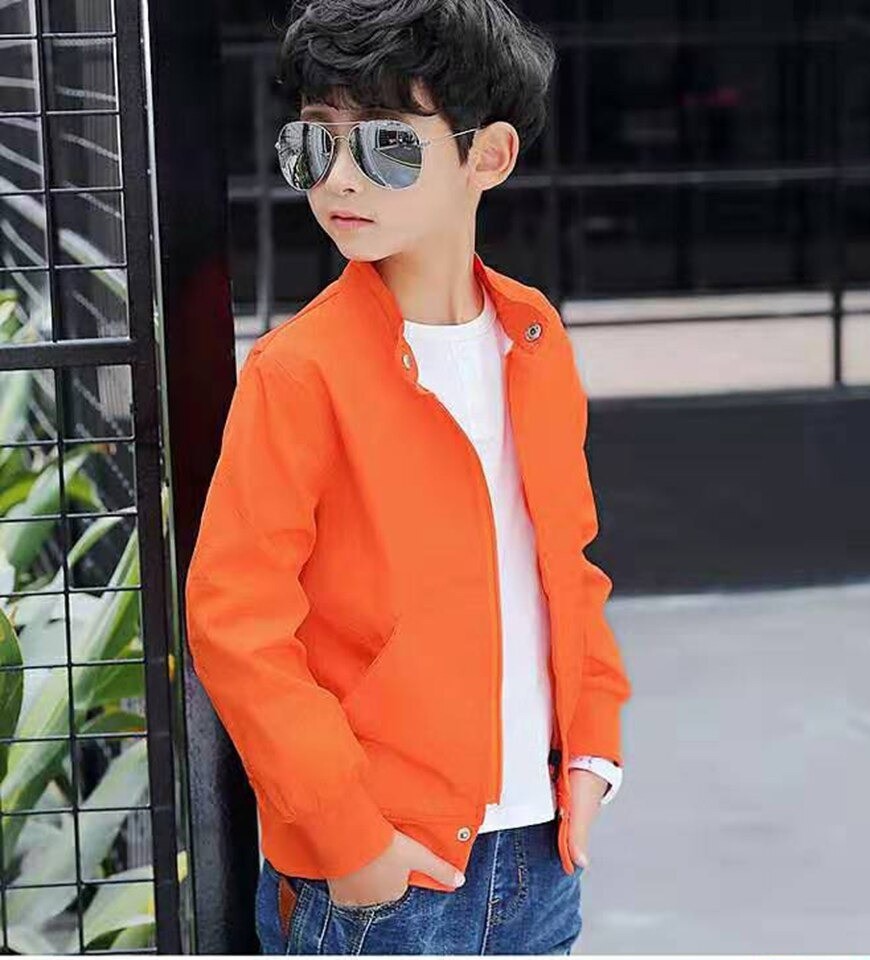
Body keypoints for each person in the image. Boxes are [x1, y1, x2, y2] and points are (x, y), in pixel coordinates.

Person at [184, 0, 632, 953]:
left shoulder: (534, 337)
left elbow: (569, 564)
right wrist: (350, 840)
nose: (339, 179)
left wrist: (595, 748)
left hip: (540, 853)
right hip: (381, 880)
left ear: (489, 157)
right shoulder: (299, 372)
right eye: (314, 144)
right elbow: (235, 622)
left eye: (388, 144)